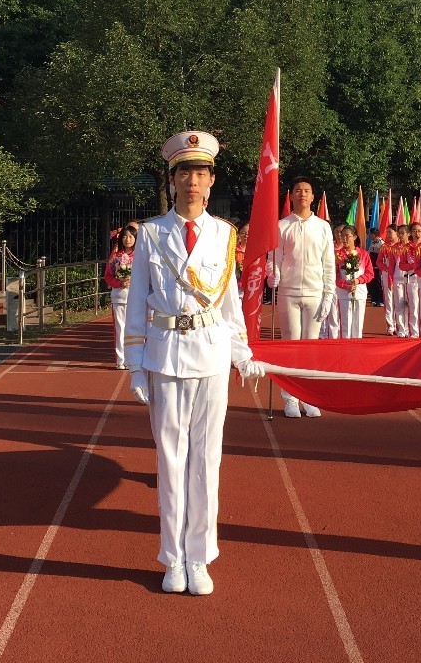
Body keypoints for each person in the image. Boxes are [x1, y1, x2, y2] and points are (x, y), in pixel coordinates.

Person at [124, 130, 262, 596]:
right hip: (164, 352)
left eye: (200, 173)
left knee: (206, 460)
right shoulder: (151, 234)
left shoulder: (224, 234)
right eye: (184, 172)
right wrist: (135, 363)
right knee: (170, 459)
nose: (192, 180)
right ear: (172, 179)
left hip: (210, 353)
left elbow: (230, 302)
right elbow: (137, 297)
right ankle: (171, 557)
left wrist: (242, 352)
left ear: (211, 180)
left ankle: (199, 557)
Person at [268, 176, 333, 418]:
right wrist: (272, 274)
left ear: (313, 196)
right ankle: (290, 398)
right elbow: (274, 258)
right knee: (291, 344)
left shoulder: (323, 227)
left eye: (306, 190)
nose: (302, 194)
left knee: (310, 347)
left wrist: (328, 295)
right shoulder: (282, 225)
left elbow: (328, 264)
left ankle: (308, 397)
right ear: (292, 195)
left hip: (315, 292)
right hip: (289, 292)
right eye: (298, 190)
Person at [105, 223, 138, 370]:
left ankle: (135, 358)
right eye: (125, 236)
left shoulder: (141, 256)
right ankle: (121, 360)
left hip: (137, 298)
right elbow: (108, 277)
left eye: (131, 236)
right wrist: (120, 282)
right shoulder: (115, 257)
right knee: (120, 329)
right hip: (119, 297)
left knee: (136, 329)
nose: (128, 239)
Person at [334, 224, 374, 338]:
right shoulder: (338, 255)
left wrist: (358, 280)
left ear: (355, 237)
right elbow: (334, 276)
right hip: (343, 294)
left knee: (358, 325)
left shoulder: (364, 254)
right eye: (342, 236)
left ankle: (357, 349)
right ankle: (345, 349)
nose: (344, 239)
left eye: (347, 236)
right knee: (345, 326)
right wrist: (346, 286)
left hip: (360, 292)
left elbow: (370, 274)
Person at [378, 226, 400, 334]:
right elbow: (378, 262)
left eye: (390, 232)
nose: (388, 234)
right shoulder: (384, 247)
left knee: (399, 300)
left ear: (397, 233)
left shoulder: (401, 247)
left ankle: (399, 324)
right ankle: (390, 326)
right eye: (387, 232)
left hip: (399, 275)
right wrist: (386, 268)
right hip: (387, 275)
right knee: (389, 300)